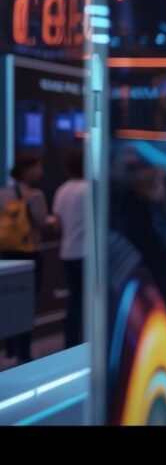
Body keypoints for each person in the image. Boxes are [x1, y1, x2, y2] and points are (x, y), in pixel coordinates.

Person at [0, 154, 53, 363]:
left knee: (8, 299)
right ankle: (24, 350)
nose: (40, 172)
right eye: (38, 168)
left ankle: (9, 348)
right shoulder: (35, 195)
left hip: (7, 251)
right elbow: (42, 221)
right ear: (27, 170)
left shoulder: (3, 193)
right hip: (30, 252)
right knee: (27, 302)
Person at [53, 148, 87, 348]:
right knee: (88, 302)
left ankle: (70, 343)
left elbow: (57, 224)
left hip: (67, 252)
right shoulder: (90, 189)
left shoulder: (62, 190)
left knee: (74, 301)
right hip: (86, 254)